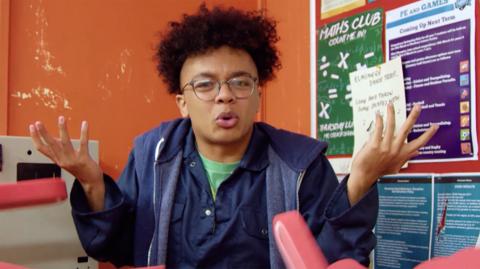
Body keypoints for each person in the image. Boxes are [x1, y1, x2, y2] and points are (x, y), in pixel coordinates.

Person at [28, 5, 437, 269]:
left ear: (258, 93)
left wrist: (361, 180)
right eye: (205, 85)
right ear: (182, 102)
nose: (224, 95)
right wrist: (92, 183)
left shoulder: (300, 163)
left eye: (240, 82)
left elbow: (330, 261)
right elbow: (114, 249)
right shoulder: (152, 153)